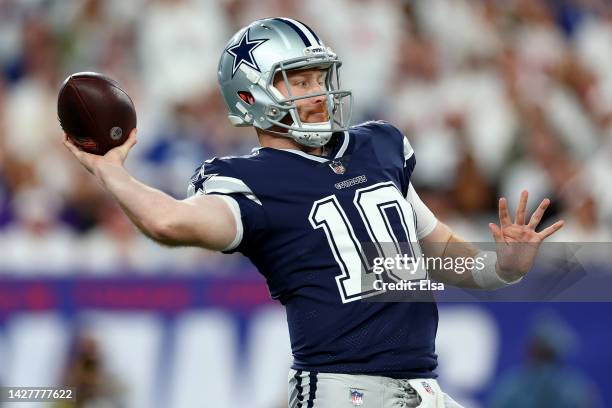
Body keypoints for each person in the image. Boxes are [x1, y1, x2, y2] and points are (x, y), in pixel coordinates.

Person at [64, 17, 565, 408]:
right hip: (342, 390)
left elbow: (440, 254)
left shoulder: (379, 147)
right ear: (250, 97)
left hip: (423, 388)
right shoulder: (252, 181)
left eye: (319, 76)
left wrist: (502, 267)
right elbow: (169, 222)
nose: (319, 93)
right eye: (298, 82)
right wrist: (111, 172)